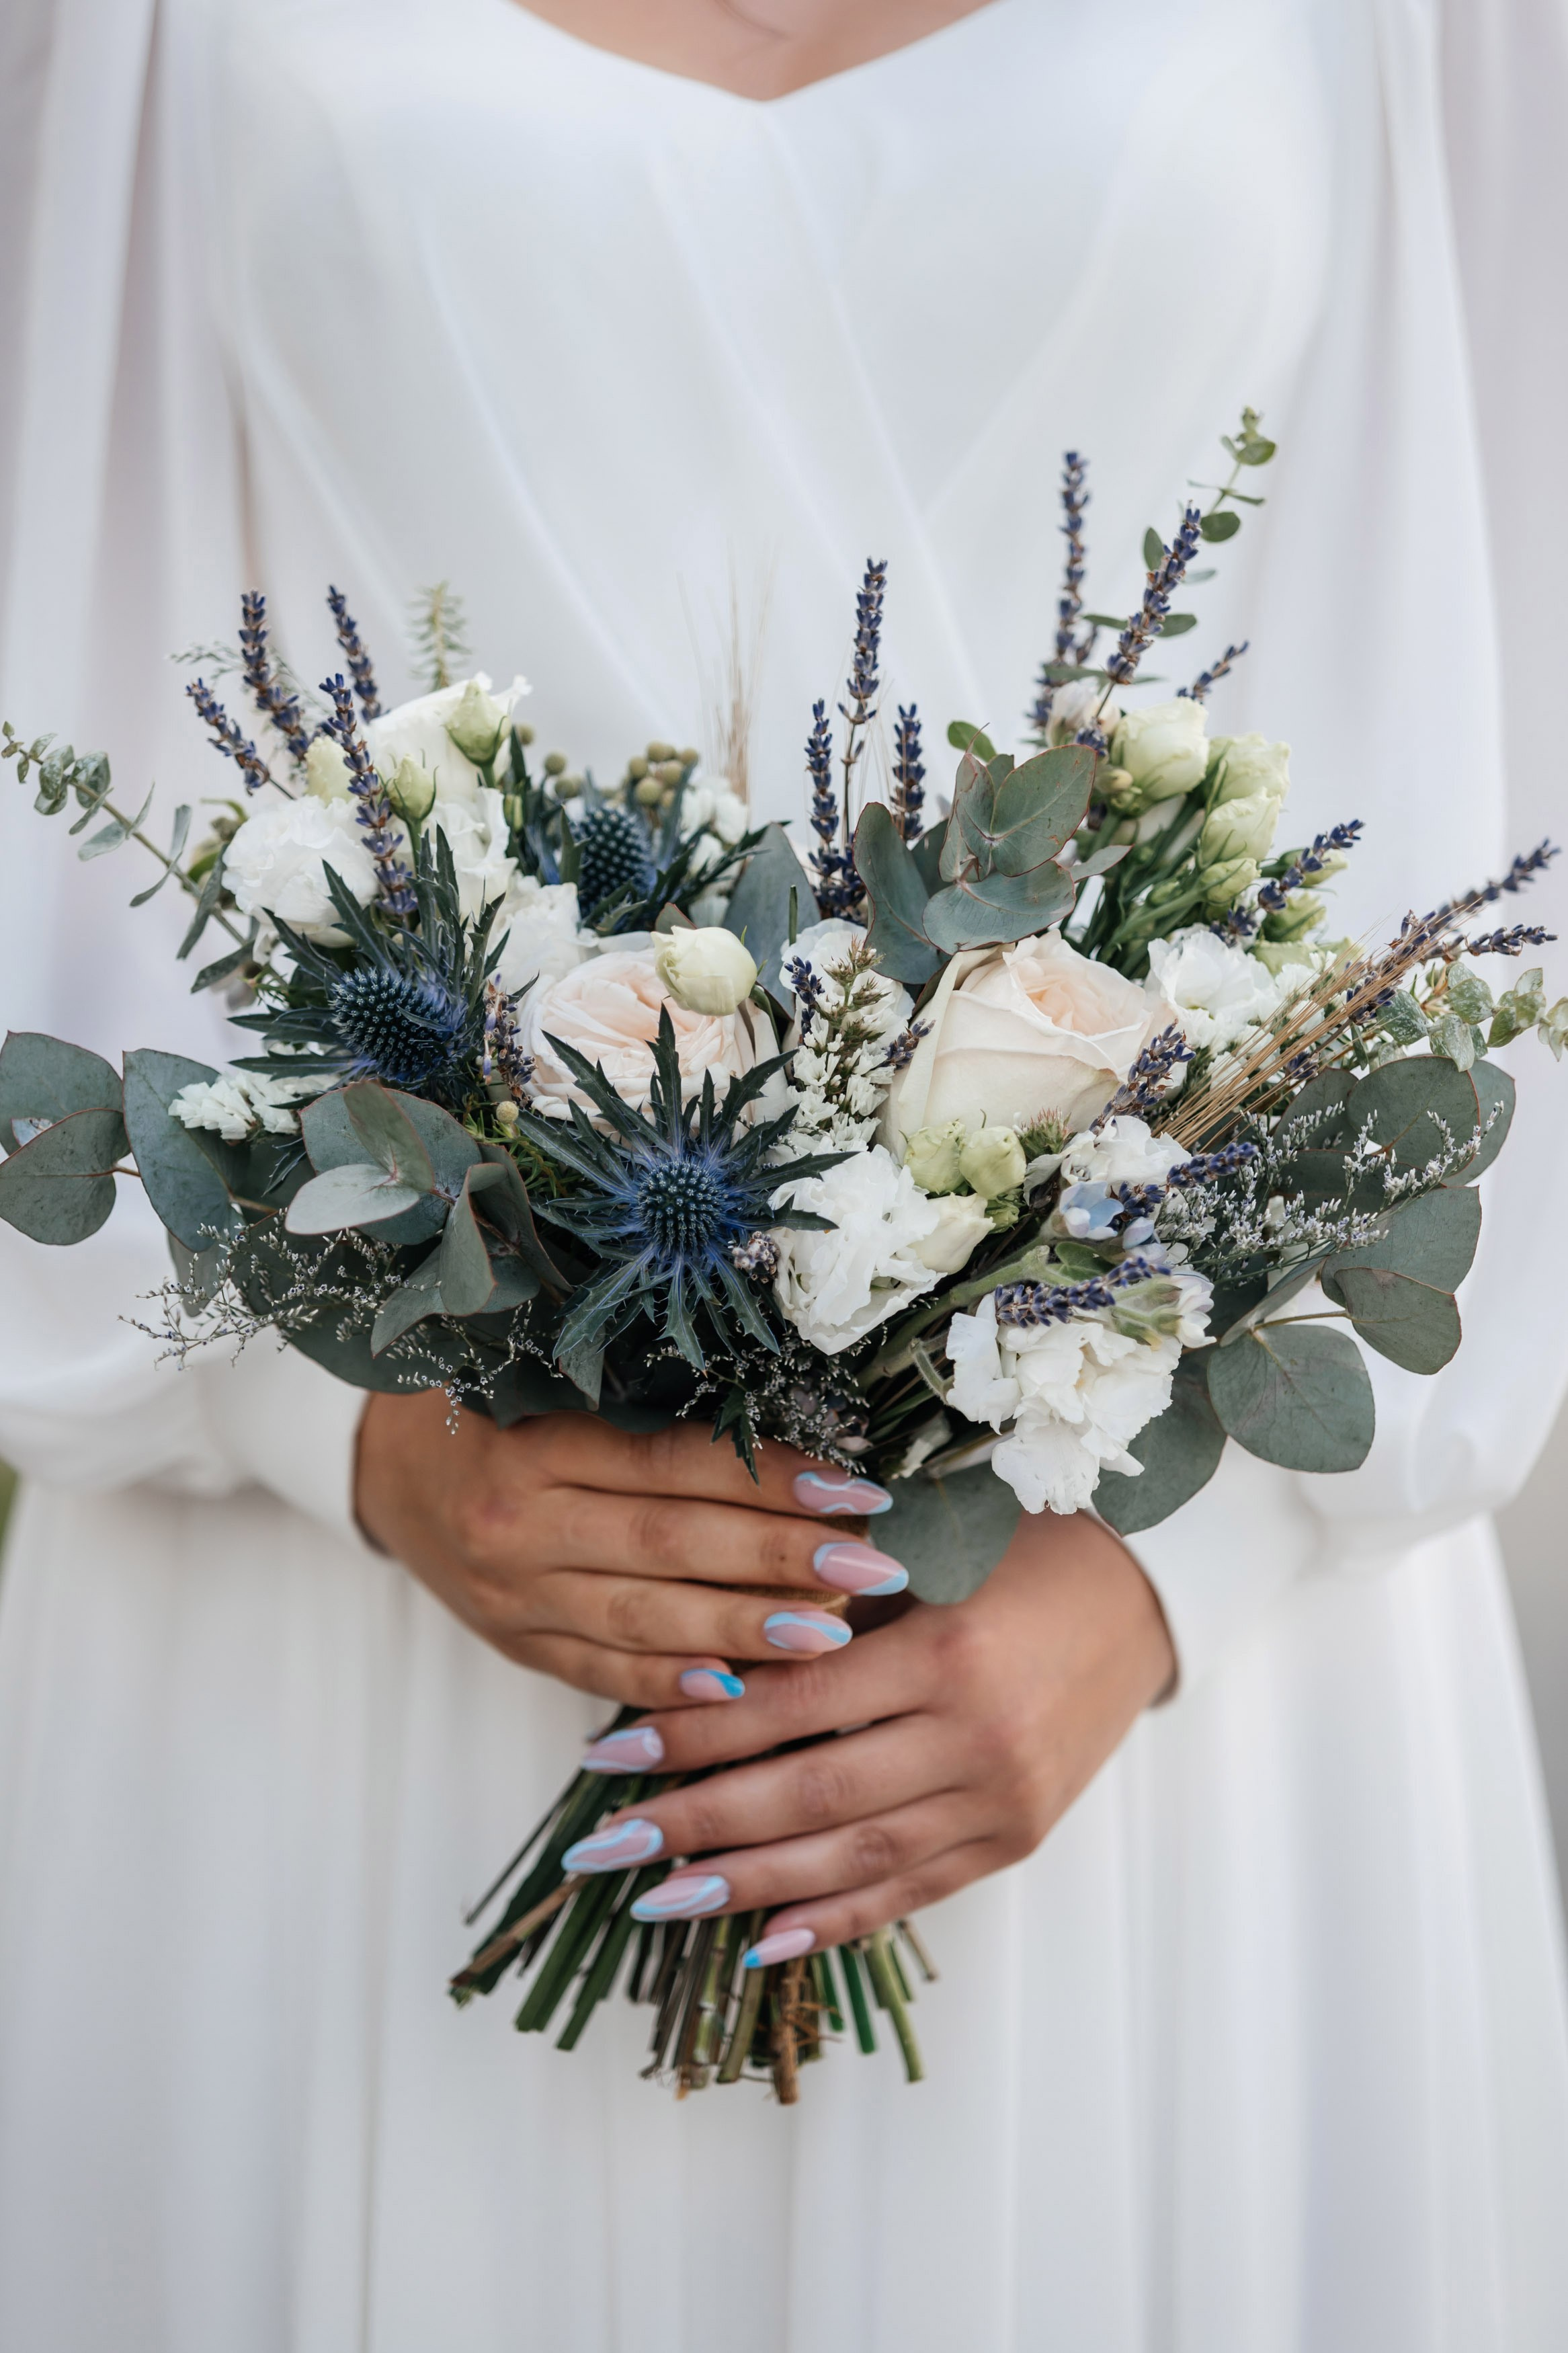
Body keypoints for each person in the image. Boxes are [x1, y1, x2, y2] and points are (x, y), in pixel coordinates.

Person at [3, 2, 1568, 2346]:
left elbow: (1514, 683)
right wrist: (331, 1426)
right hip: (350, 1623)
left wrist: (1177, 1578)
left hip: (1149, 1651)